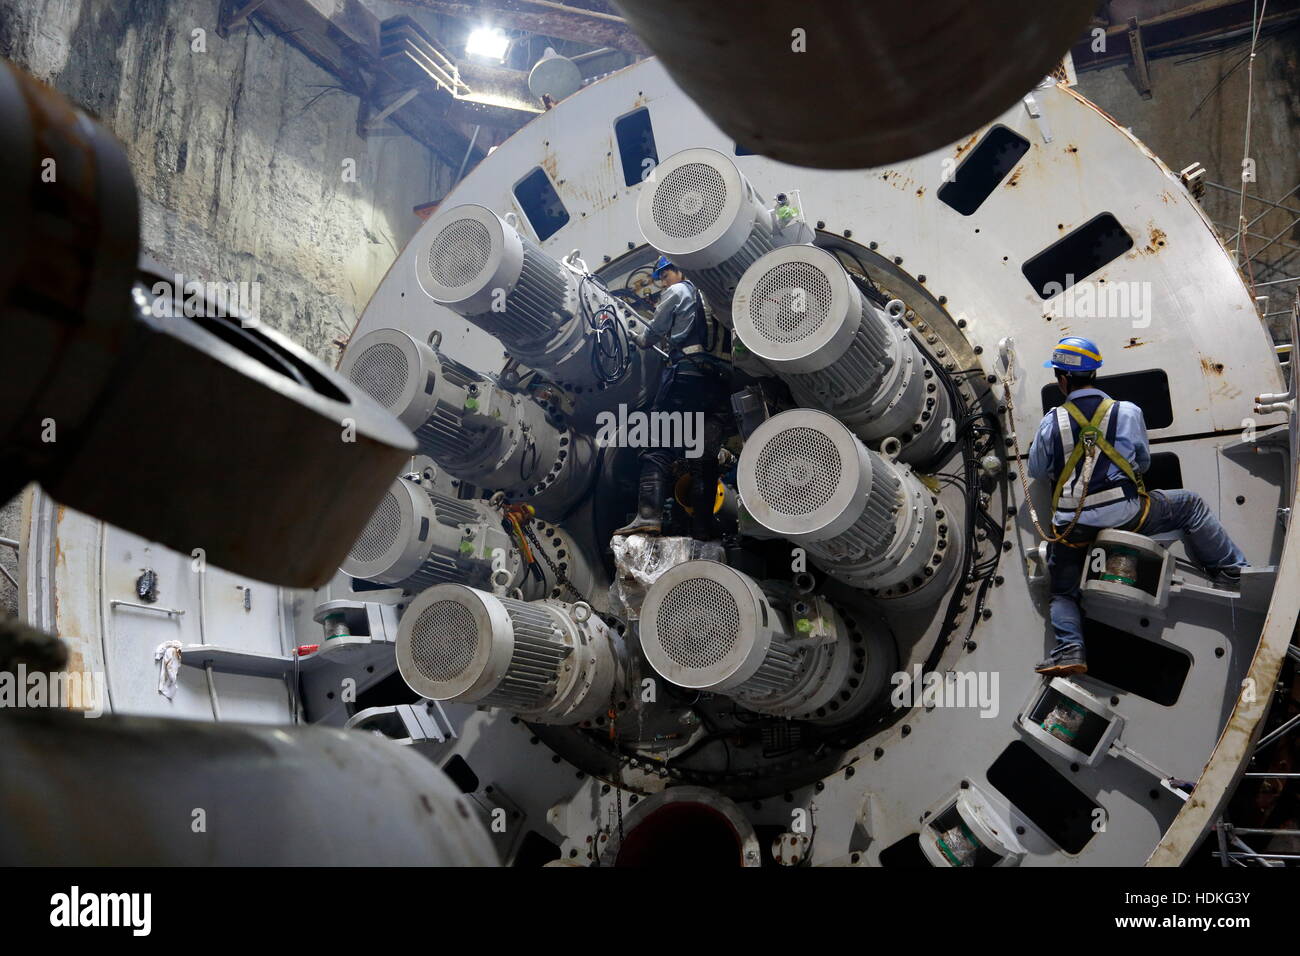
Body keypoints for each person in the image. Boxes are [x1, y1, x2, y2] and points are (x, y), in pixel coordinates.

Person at [1027, 336, 1247, 676]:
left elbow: (1038, 471)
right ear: (1094, 374)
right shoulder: (1127, 412)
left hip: (1073, 528)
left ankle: (1070, 648)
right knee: (1189, 505)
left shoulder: (1050, 422)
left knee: (1062, 593)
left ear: (1062, 379)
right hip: (1126, 515)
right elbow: (1141, 464)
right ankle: (1231, 571)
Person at [612, 256, 732, 539]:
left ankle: (648, 517)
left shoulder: (678, 292)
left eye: (665, 276)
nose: (663, 282)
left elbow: (654, 331)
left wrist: (640, 339)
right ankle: (703, 525)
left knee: (657, 445)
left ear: (679, 271)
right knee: (704, 458)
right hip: (718, 387)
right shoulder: (716, 297)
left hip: (687, 378)